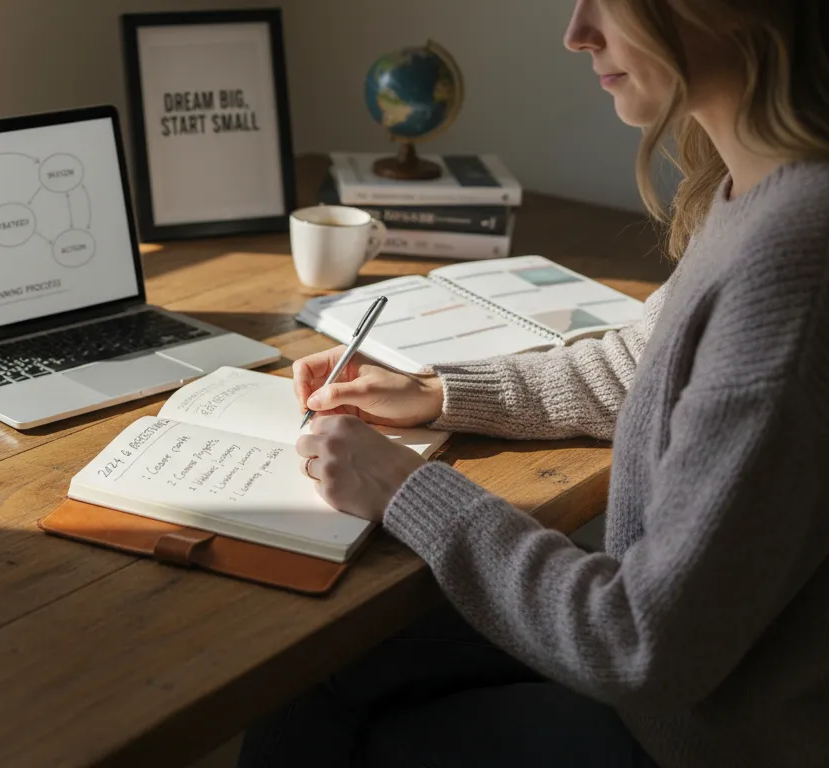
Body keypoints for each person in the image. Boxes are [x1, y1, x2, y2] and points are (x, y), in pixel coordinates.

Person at [237, 0, 829, 766]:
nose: (577, 33)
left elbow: (642, 642)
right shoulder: (760, 188)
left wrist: (401, 489)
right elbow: (636, 365)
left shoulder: (793, 262)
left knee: (343, 718)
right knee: (313, 668)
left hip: (705, 740)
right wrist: (440, 392)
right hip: (675, 697)